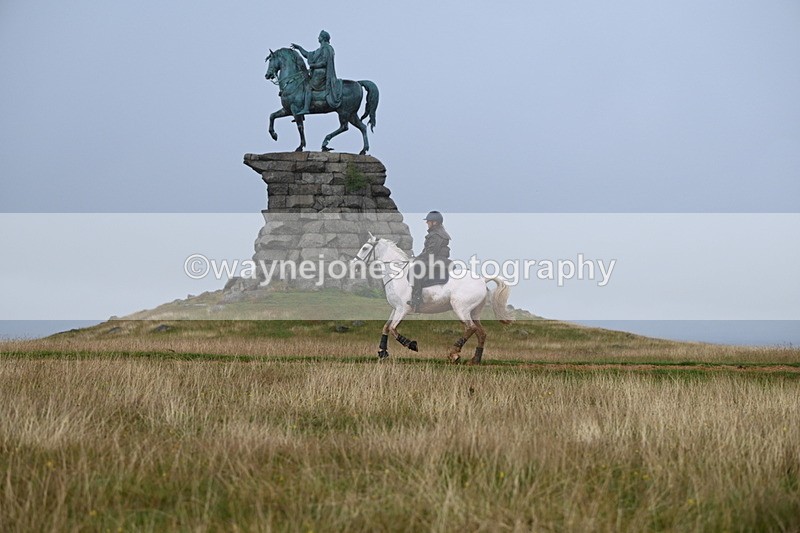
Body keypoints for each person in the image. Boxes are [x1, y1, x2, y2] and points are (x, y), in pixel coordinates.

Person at [290, 30, 343, 115]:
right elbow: (307, 55)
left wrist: (314, 66)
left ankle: (306, 108)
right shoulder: (319, 50)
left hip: (321, 73)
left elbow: (324, 62)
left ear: (323, 38)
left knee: (308, 86)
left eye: (319, 36)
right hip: (317, 73)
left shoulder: (327, 48)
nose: (318, 37)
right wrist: (299, 48)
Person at [407, 211, 451, 312]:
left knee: (416, 270)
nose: (427, 223)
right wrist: (417, 257)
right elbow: (427, 251)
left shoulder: (436, 235)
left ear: (435, 222)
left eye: (428, 221)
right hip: (436, 260)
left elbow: (431, 252)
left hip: (437, 261)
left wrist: (417, 259)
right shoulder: (436, 233)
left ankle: (417, 299)